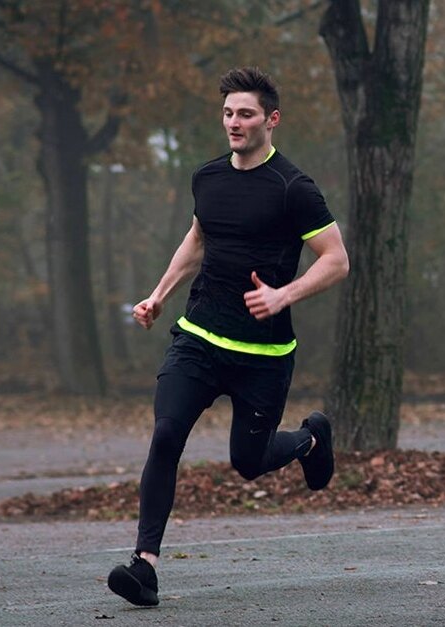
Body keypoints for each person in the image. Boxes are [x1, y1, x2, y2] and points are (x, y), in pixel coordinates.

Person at [107, 67, 350, 606]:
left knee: (248, 461)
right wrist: (159, 294)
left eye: (245, 114)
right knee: (167, 435)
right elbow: (197, 241)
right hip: (198, 337)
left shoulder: (295, 189)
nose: (234, 123)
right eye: (227, 114)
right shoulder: (208, 178)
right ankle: (144, 565)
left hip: (262, 355)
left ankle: (310, 439)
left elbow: (337, 261)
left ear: (271, 120)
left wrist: (283, 296)